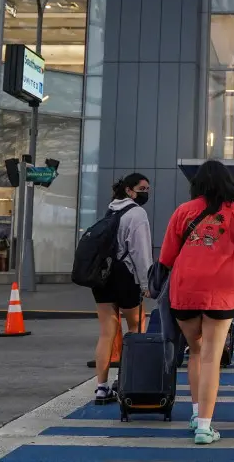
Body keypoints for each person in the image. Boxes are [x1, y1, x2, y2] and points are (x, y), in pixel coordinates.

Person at [158, 160, 234, 446]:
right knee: (212, 356)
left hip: (184, 292)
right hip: (220, 293)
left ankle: (194, 413)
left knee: (195, 351)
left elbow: (166, 258)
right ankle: (204, 426)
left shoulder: (182, 212)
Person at [92, 173, 152, 405]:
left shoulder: (110, 210)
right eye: (142, 188)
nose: (146, 192)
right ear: (129, 190)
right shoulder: (137, 213)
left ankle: (101, 387)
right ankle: (125, 379)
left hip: (103, 277)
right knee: (136, 328)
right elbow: (140, 251)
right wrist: (147, 283)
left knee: (107, 332)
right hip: (126, 276)